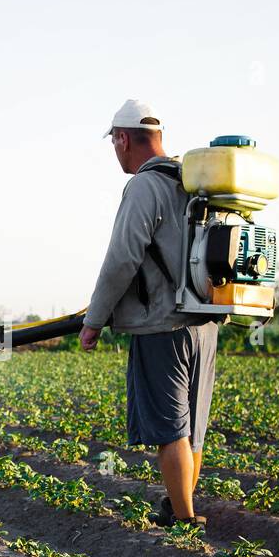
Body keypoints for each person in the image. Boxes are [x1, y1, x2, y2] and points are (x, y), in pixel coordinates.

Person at [79, 99, 219, 527]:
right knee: (192, 424)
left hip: (163, 324)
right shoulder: (193, 182)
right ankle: (181, 507)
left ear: (123, 138)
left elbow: (123, 257)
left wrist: (94, 319)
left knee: (169, 424)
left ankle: (185, 518)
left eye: (114, 143)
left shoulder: (144, 186)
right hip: (205, 322)